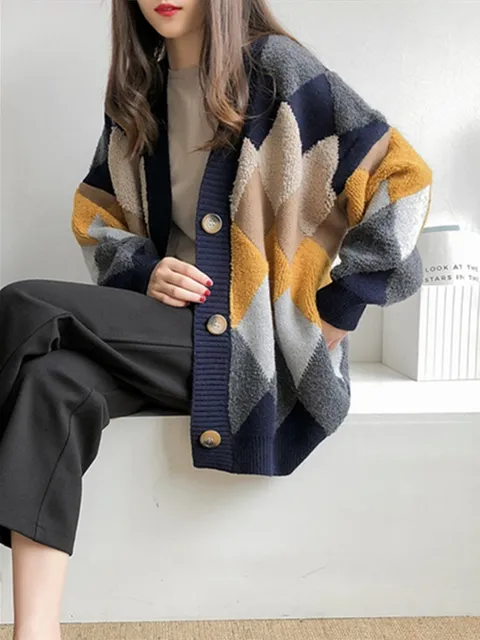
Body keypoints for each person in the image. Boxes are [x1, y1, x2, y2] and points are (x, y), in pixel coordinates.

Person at [0, 0, 432, 637]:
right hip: (166, 335)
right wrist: (142, 270)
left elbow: (404, 182)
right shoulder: (138, 96)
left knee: (20, 306)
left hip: (252, 351)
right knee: (51, 382)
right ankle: (37, 631)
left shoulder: (278, 72)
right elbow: (99, 214)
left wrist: (334, 313)